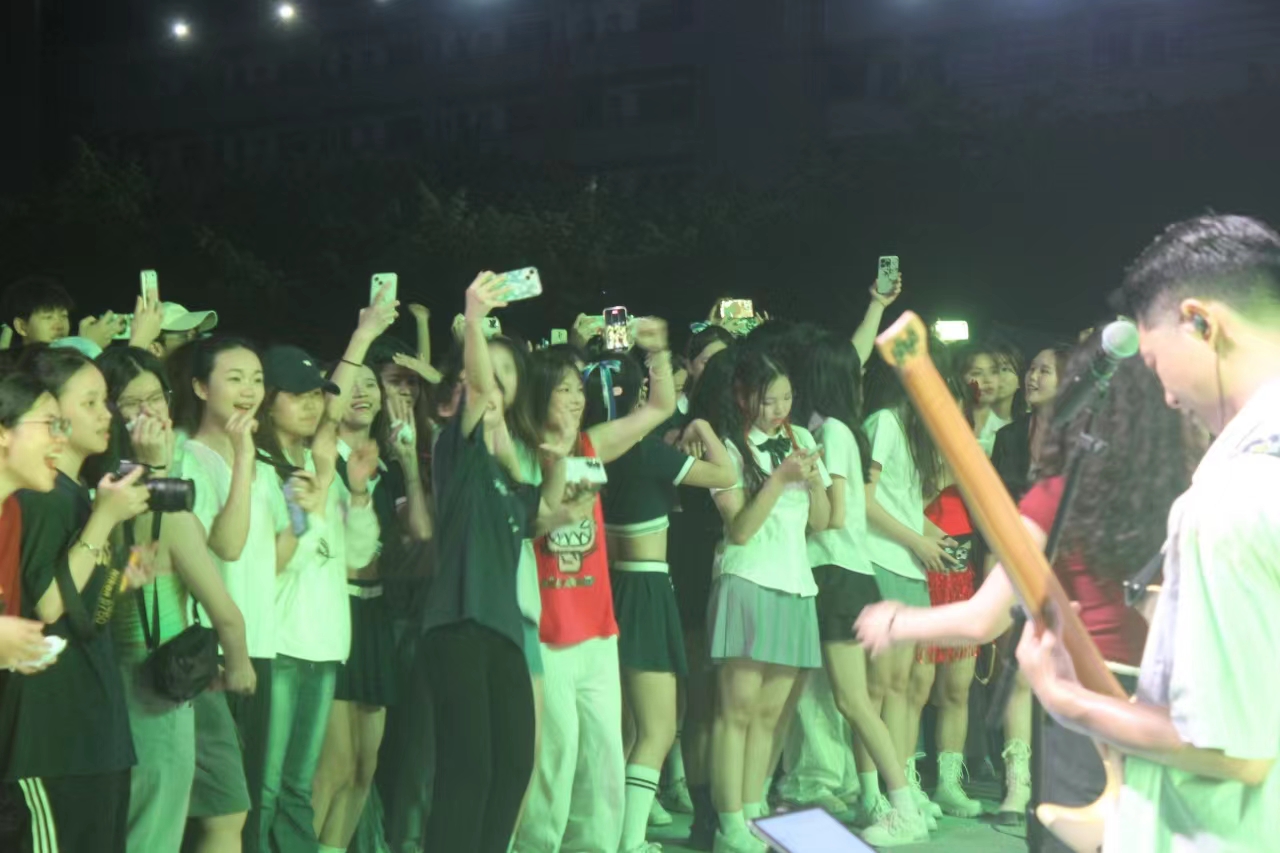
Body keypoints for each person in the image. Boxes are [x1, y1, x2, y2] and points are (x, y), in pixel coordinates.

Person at [857, 326, 1201, 850]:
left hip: (1082, 700)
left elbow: (984, 616)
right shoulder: (1194, 489)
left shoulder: (1058, 494)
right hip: (1169, 702)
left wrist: (899, 621)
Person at [1016, 214, 1280, 851]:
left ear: (1200, 322)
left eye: (1156, 361)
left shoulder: (1229, 500)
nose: (1164, 396)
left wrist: (1064, 697)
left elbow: (1228, 748)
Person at [516, 316, 677, 853]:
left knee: (605, 752)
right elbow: (531, 523)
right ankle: (538, 846)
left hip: (598, 628)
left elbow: (659, 409)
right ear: (537, 394)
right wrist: (557, 465)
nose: (574, 399)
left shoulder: (591, 444)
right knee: (555, 756)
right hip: (548, 632)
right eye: (562, 389)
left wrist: (657, 354)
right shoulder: (521, 453)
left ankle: (598, 846)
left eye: (577, 389)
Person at [92, 347, 258, 853]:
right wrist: (240, 666)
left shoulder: (102, 495)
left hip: (118, 677)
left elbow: (127, 582)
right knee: (154, 826)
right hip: (158, 683)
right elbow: (224, 608)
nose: (151, 411)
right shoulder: (151, 504)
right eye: (132, 402)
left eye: (157, 397)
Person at [417, 272, 557, 853]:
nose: (491, 387)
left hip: (503, 632)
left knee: (515, 766)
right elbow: (476, 390)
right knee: (468, 772)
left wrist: (516, 458)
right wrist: (473, 318)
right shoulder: (457, 450)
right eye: (483, 376)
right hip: (458, 624)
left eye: (506, 378)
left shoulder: (507, 474)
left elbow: (536, 514)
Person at [0, 347, 153, 853]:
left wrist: (120, 579)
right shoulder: (37, 497)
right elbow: (47, 606)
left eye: (105, 401)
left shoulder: (75, 495)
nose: (105, 413)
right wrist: (104, 521)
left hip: (92, 728)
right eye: (89, 402)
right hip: (50, 735)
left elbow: (89, 617)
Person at [585, 352, 737, 853]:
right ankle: (629, 841)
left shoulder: (589, 451)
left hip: (607, 586)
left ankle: (610, 834)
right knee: (658, 727)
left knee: (624, 728)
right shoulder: (646, 453)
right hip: (647, 588)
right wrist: (702, 427)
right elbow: (725, 473)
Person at [791, 334, 929, 846]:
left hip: (838, 573)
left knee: (855, 701)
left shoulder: (831, 433)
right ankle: (888, 801)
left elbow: (834, 515)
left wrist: (799, 487)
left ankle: (904, 808)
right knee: (852, 700)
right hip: (841, 573)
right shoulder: (835, 429)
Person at [253, 340, 383, 853]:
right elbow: (279, 564)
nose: (311, 405)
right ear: (268, 401)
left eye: (316, 395)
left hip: (326, 645)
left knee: (296, 787)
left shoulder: (320, 462)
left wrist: (356, 491)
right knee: (266, 787)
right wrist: (322, 488)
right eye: (297, 395)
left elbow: (357, 554)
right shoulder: (261, 470)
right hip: (280, 644)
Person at [703, 346, 831, 853]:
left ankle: (754, 807)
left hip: (797, 584)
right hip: (748, 580)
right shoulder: (731, 449)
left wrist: (815, 482)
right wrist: (779, 480)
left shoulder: (801, 440)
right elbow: (740, 530)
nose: (780, 409)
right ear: (742, 397)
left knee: (770, 714)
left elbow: (823, 521)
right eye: (769, 399)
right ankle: (728, 822)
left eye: (787, 398)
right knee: (736, 712)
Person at [311, 363, 431, 853]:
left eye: (371, 386)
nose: (362, 393)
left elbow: (421, 530)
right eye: (352, 385)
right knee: (334, 766)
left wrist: (410, 464)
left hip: (377, 613)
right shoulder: (320, 459)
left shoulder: (387, 465)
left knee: (365, 766)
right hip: (335, 613)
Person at [859, 354, 957, 828]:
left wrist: (932, 537)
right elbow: (864, 499)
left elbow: (901, 504)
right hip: (879, 562)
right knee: (875, 687)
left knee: (900, 686)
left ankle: (901, 789)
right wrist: (918, 540)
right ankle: (870, 794)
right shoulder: (883, 421)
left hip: (909, 568)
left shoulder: (916, 432)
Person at [0, 369, 71, 670]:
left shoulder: (12, 512)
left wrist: (12, 654)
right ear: (3, 432)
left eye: (63, 426)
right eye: (50, 425)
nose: (62, 439)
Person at [991, 345, 1073, 502]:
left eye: (1044, 371)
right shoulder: (1008, 435)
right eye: (1032, 369)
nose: (1033, 376)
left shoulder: (1081, 434)